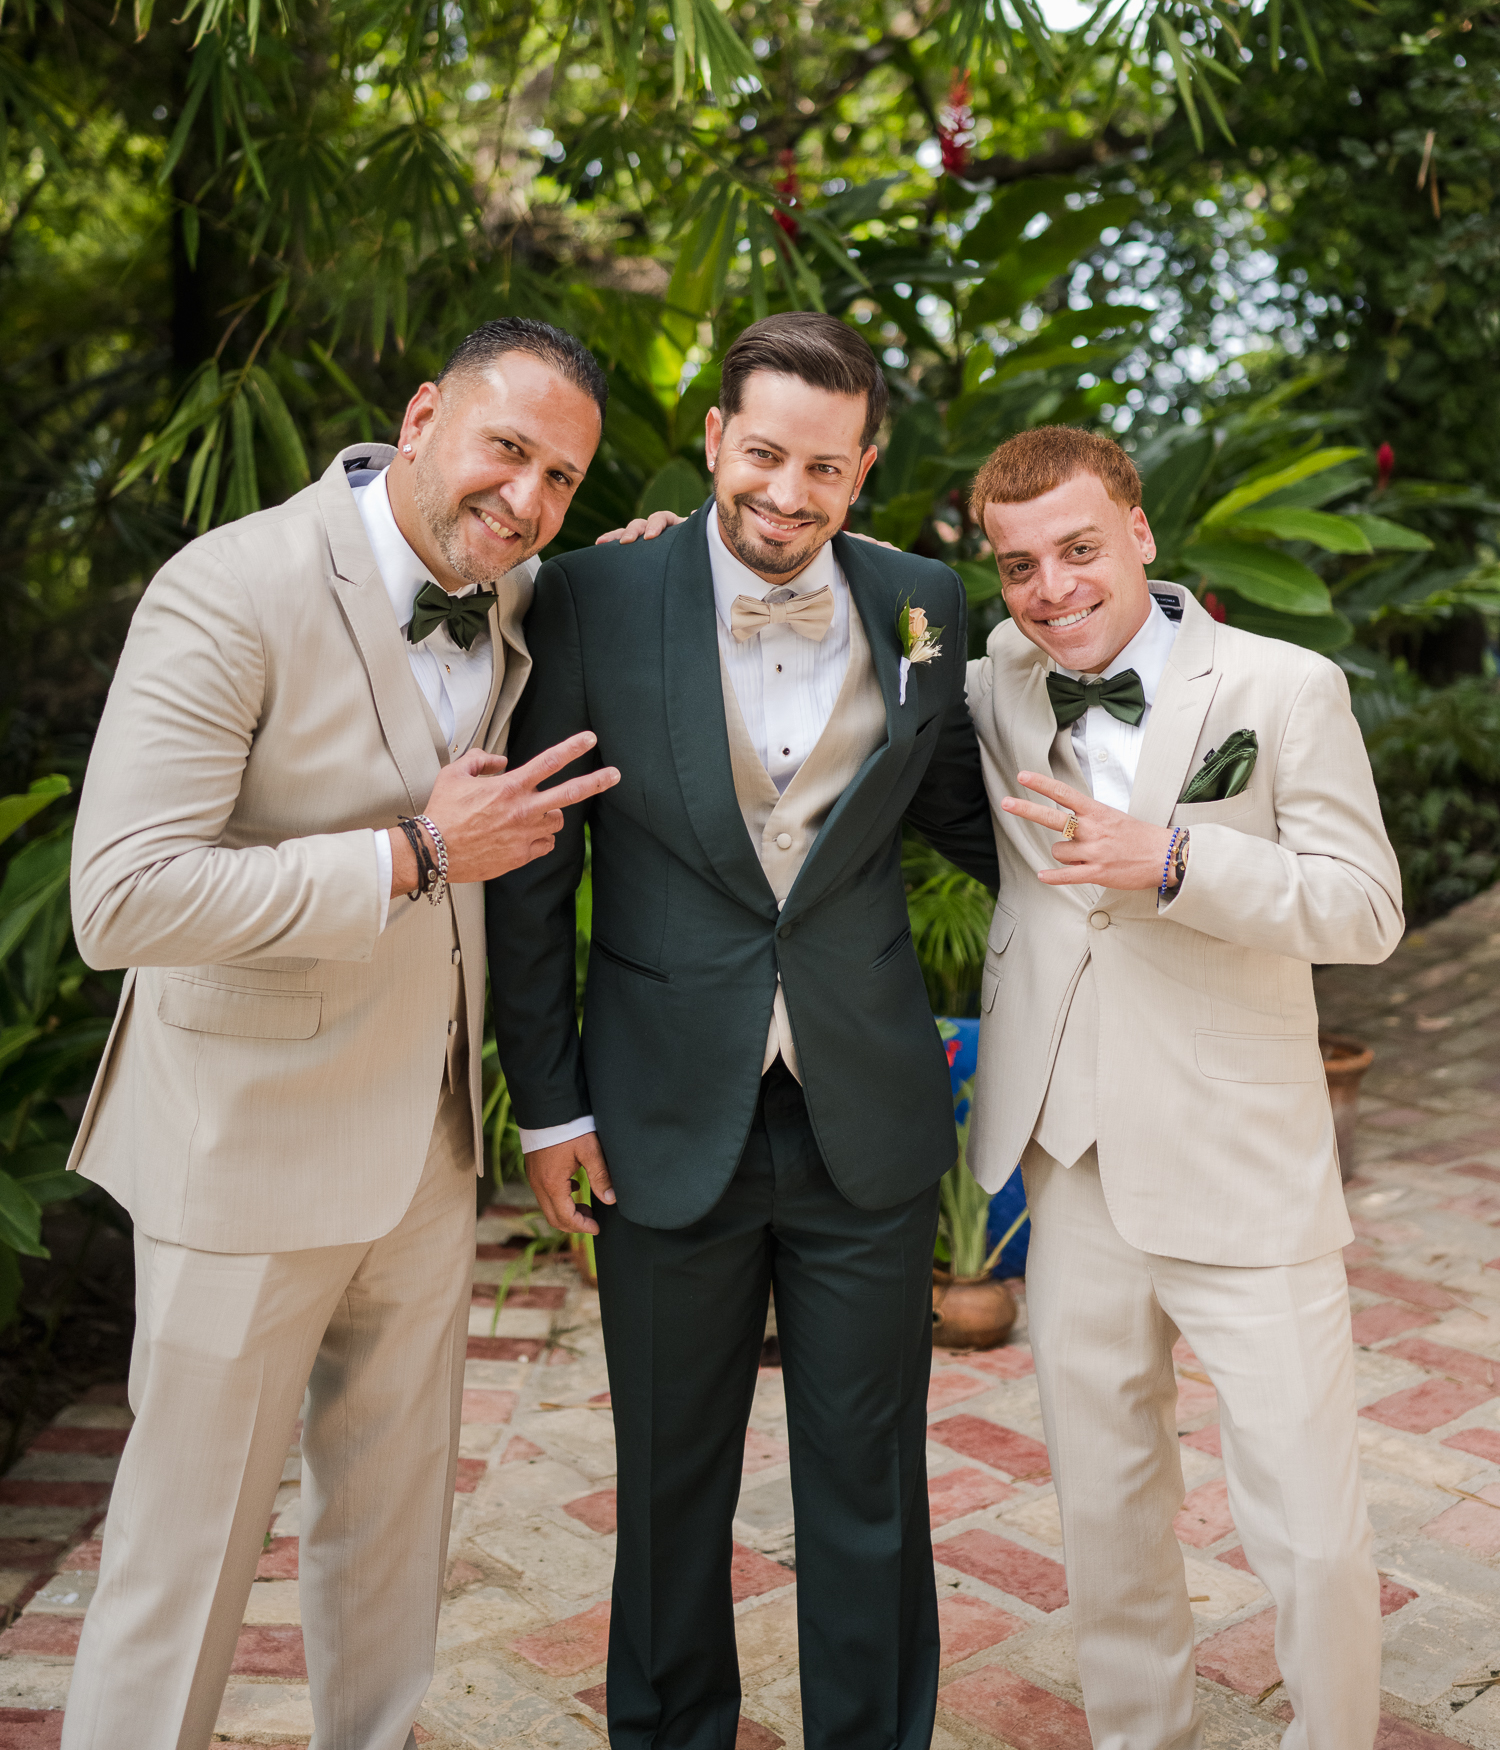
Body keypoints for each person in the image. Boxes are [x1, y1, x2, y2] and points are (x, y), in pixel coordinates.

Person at [62, 318, 622, 1750]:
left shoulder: (512, 590)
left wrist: (654, 546)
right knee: (184, 1561)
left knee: (388, 1557)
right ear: (425, 415)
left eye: (562, 477)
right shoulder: (231, 587)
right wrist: (413, 854)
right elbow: (122, 899)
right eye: (509, 448)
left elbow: (595, 576)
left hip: (422, 1161)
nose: (528, 497)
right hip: (242, 1152)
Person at [490, 310, 999, 1750]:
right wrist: (549, 1105)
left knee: (870, 1484)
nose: (786, 493)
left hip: (866, 1118)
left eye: (823, 468)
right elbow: (539, 871)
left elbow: (965, 810)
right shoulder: (590, 592)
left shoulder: (924, 602)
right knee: (667, 1483)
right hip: (659, 1113)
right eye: (763, 452)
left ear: (865, 469)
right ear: (716, 437)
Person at [963, 423, 1403, 1750]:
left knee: (1313, 1530)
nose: (1053, 589)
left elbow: (1369, 909)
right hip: (1073, 1156)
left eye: (1080, 549)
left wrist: (1176, 862)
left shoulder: (1283, 685)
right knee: (1104, 1512)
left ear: (1141, 536)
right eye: (1021, 565)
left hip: (1242, 1163)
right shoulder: (997, 682)